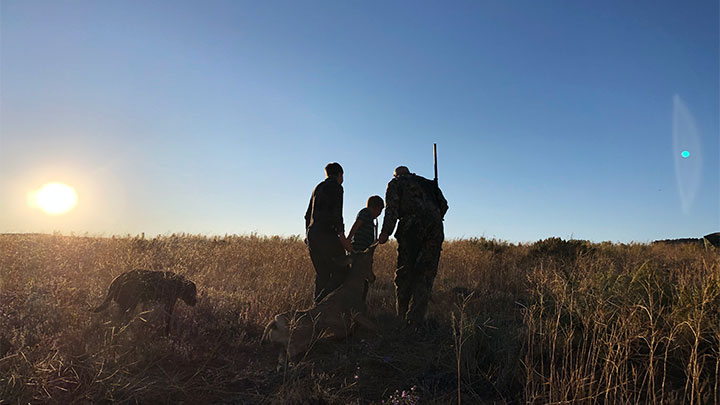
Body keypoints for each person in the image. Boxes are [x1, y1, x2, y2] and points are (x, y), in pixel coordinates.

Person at [378, 166, 448, 329]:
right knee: (425, 275)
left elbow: (392, 209)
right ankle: (415, 321)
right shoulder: (429, 184)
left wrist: (385, 232)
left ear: (396, 175)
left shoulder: (396, 183)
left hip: (412, 228)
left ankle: (401, 317)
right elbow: (444, 206)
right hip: (435, 229)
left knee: (405, 272)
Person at [305, 162, 353, 303]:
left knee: (322, 274)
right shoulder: (337, 187)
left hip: (313, 234)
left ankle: (316, 308)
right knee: (342, 272)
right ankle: (329, 306)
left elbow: (307, 215)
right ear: (340, 175)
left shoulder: (317, 188)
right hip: (328, 235)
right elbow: (337, 213)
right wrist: (342, 236)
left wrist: (307, 234)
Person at [347, 195, 384, 302]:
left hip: (364, 252)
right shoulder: (366, 213)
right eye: (380, 211)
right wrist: (348, 239)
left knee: (363, 280)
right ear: (375, 207)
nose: (379, 214)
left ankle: (359, 303)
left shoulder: (370, 219)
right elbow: (356, 225)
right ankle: (357, 304)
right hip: (359, 252)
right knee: (359, 279)